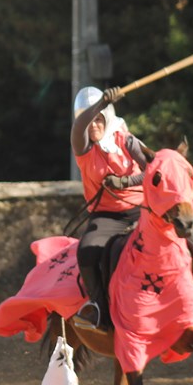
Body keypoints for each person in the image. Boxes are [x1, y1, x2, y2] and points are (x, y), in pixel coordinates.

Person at [69, 86, 150, 331]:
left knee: (185, 241)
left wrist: (126, 181)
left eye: (99, 119)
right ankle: (99, 308)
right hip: (106, 216)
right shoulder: (83, 146)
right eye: (89, 120)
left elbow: (153, 170)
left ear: (108, 118)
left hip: (141, 210)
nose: (93, 125)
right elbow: (79, 126)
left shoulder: (127, 140)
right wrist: (101, 103)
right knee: (86, 251)